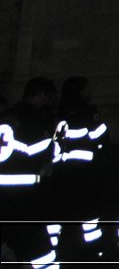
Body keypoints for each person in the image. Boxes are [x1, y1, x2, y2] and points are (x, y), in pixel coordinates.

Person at [0, 77, 58, 269]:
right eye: (47, 96)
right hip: (24, 190)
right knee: (38, 244)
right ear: (41, 94)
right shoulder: (33, 118)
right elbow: (37, 149)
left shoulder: (8, 115)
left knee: (12, 237)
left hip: (3, 190)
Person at [50, 75, 108, 260]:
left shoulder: (57, 112)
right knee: (88, 215)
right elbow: (101, 137)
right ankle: (93, 252)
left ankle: (55, 248)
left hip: (59, 172)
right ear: (82, 91)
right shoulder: (88, 112)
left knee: (60, 213)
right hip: (85, 172)